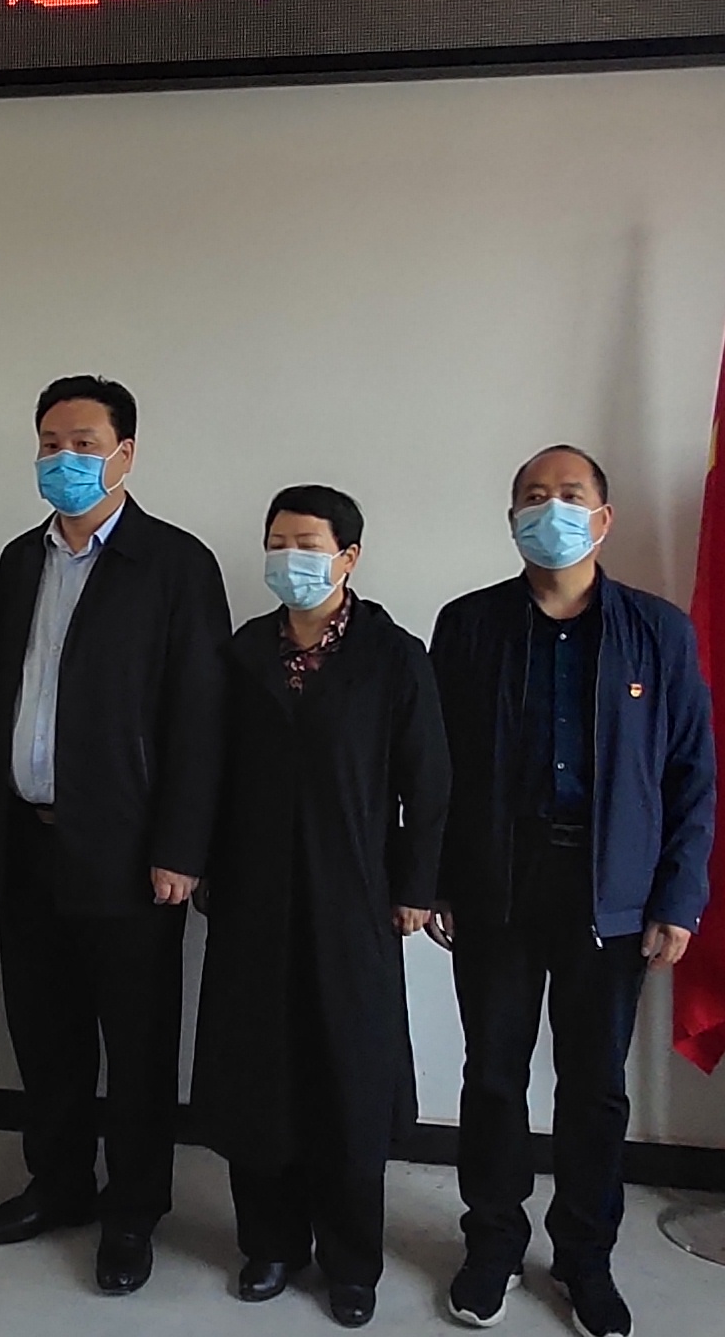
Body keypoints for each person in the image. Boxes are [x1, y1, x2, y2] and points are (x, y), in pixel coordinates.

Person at [429, 446, 714, 1335]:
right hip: (497, 887)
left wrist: (677, 897)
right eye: (532, 496)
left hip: (611, 893)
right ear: (512, 517)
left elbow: (692, 772)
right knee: (493, 1076)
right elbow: (435, 767)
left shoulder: (657, 632)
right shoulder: (468, 625)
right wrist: (435, 879)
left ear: (604, 517)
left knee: (593, 1088)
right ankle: (492, 1245)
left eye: (568, 494)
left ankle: (585, 1258)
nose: (548, 509)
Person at [0, 374, 228, 1296]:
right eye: (50, 443)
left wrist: (181, 849)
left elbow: (200, 719)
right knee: (45, 1033)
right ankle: (59, 1184)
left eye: (83, 444)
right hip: (27, 840)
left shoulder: (175, 565)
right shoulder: (19, 560)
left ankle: (133, 1211)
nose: (63, 459)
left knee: (138, 1043)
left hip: (129, 852)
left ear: (125, 454)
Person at [196, 485, 447, 1330]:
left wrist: (416, 888)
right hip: (253, 896)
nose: (290, 559)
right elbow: (206, 768)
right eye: (278, 542)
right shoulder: (241, 653)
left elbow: (429, 782)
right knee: (259, 1073)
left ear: (349, 557)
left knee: (349, 1080)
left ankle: (351, 1262)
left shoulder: (394, 656)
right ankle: (269, 1244)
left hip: (355, 898)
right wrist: (196, 864)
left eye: (308, 543)